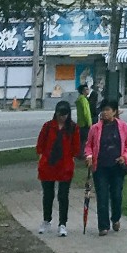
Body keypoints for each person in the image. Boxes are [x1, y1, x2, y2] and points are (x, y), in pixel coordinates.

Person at [84, 99, 127, 235]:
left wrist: (124, 157)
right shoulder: (95, 128)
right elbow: (89, 145)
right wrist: (89, 156)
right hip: (100, 167)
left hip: (117, 166)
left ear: (114, 112)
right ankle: (103, 226)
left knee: (116, 195)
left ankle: (116, 218)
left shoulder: (123, 126)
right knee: (102, 196)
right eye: (103, 110)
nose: (105, 113)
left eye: (108, 110)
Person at [35, 100, 81, 236]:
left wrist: (71, 157)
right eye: (60, 114)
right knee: (48, 195)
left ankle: (62, 223)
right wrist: (42, 157)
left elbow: (76, 147)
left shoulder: (73, 128)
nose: (62, 117)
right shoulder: (48, 126)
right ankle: (46, 220)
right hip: (48, 165)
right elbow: (40, 144)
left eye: (65, 114)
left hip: (65, 166)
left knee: (63, 195)